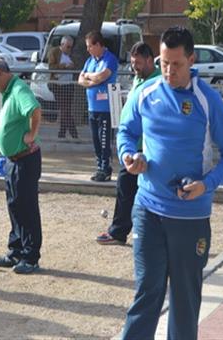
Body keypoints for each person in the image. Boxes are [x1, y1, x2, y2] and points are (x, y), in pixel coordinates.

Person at [118, 27, 223, 339]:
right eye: (163, 63)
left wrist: (207, 183)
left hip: (190, 217)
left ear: (191, 60)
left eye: (176, 64)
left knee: (185, 302)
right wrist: (129, 155)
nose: (169, 71)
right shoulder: (145, 92)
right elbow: (126, 131)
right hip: (148, 210)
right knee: (147, 293)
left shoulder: (207, 100)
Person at [95, 42, 160, 246]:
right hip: (132, 145)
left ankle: (119, 231)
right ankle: (122, 230)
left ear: (150, 60)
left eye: (138, 63)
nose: (135, 67)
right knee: (128, 187)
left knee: (129, 187)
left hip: (145, 147)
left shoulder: (157, 82)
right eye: (133, 63)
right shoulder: (139, 79)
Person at [0, 58, 43, 275]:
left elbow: (35, 110)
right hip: (13, 160)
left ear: (1, 73)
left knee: (26, 208)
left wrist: (32, 134)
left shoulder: (19, 89)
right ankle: (16, 250)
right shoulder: (9, 91)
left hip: (25, 159)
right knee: (14, 206)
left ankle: (30, 256)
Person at [78, 30, 118, 182]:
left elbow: (103, 76)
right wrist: (91, 79)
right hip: (92, 108)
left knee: (104, 140)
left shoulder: (110, 59)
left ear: (99, 45)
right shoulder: (90, 61)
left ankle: (105, 168)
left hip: (105, 108)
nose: (88, 49)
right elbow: (80, 79)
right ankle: (99, 166)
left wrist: (90, 76)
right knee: (95, 140)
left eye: (90, 46)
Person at [48, 35, 78, 139]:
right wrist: (64, 66)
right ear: (62, 45)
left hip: (69, 85)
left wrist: (73, 66)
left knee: (67, 110)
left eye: (71, 47)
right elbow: (51, 67)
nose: (69, 49)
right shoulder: (54, 52)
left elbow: (76, 66)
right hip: (58, 85)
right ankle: (74, 134)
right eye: (68, 47)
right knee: (64, 109)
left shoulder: (71, 55)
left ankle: (62, 133)